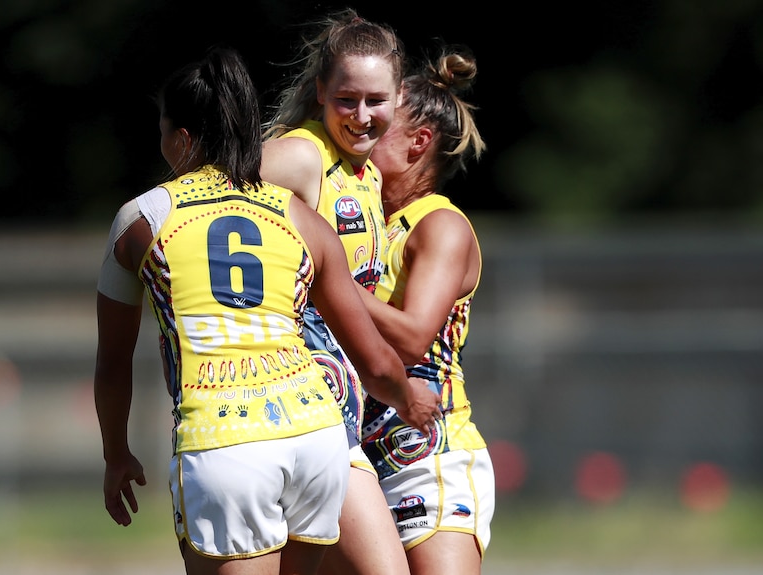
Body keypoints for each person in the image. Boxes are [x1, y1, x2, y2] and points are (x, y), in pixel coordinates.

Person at [93, 46, 442, 575]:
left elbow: (113, 363)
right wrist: (407, 396)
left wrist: (116, 454)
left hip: (223, 440)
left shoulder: (140, 220)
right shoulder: (300, 217)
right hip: (317, 439)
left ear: (181, 139)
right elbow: (372, 359)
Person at [260, 8, 433, 575]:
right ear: (320, 93)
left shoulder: (369, 174)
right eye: (346, 100)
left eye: (376, 101)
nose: (361, 116)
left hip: (338, 411)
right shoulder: (305, 155)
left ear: (397, 97)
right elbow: (214, 185)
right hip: (297, 404)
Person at [356, 45, 496, 575]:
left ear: (419, 142)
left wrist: (333, 288)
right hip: (362, 458)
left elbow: (414, 336)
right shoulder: (367, 224)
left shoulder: (440, 223)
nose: (364, 129)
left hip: (429, 460)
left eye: (382, 122)